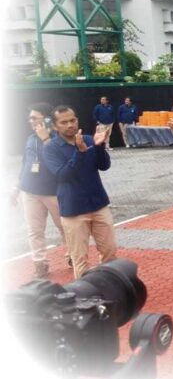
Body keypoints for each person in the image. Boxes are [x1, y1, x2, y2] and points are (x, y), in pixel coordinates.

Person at [43, 106, 118, 279]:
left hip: (98, 205)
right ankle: (86, 298)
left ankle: (111, 289)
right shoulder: (51, 148)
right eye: (64, 122)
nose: (70, 125)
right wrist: (80, 152)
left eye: (72, 120)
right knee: (80, 259)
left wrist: (100, 146)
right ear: (55, 126)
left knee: (110, 253)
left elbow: (104, 166)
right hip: (73, 210)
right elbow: (63, 175)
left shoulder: (89, 139)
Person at [11, 103, 68, 278]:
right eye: (30, 117)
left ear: (48, 119)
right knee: (34, 230)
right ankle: (40, 263)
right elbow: (26, 164)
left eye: (35, 117)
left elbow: (61, 160)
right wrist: (17, 188)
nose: (31, 121)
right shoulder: (30, 138)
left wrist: (46, 138)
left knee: (65, 228)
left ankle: (73, 255)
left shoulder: (59, 139)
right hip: (30, 192)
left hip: (54, 192)